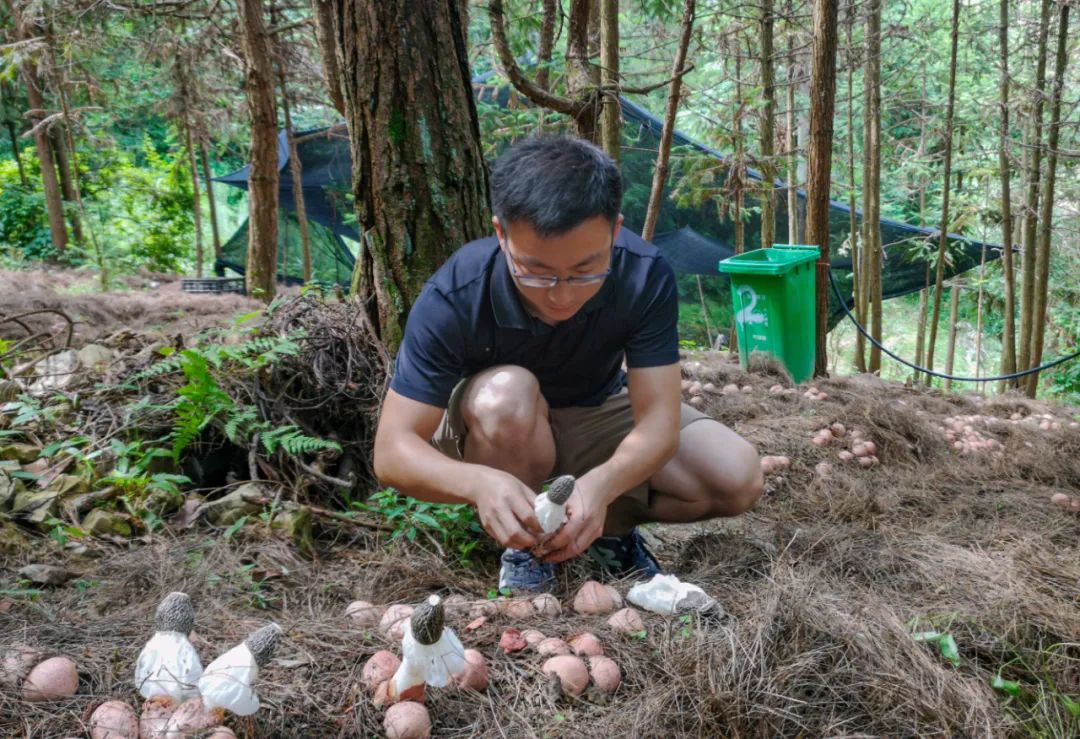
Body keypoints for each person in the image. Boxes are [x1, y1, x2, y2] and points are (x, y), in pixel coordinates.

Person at [373, 136, 762, 592]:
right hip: (497, 429)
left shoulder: (642, 274)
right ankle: (524, 547)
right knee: (507, 395)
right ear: (501, 234)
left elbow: (659, 419)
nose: (561, 295)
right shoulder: (457, 294)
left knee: (734, 474)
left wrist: (602, 485)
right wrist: (478, 482)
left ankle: (605, 531)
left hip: (594, 413)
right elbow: (392, 451)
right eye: (535, 271)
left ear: (615, 232)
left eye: (585, 271)